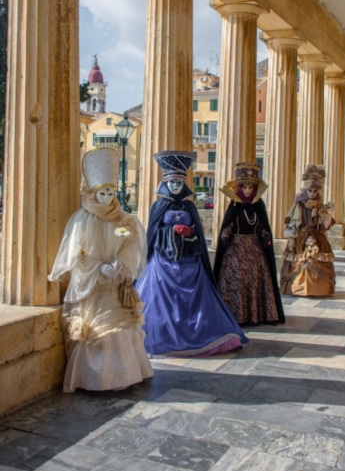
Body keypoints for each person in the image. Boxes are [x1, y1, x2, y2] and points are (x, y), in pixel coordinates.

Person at [48, 148, 153, 393]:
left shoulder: (124, 220)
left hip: (116, 283)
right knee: (99, 329)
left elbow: (131, 245)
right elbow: (77, 253)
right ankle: (99, 379)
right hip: (94, 286)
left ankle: (124, 375)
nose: (107, 197)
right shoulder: (82, 219)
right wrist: (99, 267)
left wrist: (121, 264)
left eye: (111, 192)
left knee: (120, 325)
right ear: (93, 193)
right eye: (103, 193)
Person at [135, 150, 248, 356]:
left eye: (179, 183)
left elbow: (197, 229)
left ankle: (201, 335)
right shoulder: (159, 205)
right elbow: (153, 232)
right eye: (172, 183)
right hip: (163, 262)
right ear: (165, 184)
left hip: (190, 260)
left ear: (184, 185)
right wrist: (173, 230)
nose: (176, 187)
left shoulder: (189, 206)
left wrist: (190, 232)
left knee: (197, 299)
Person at [214, 162, 285, 325]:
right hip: (236, 249)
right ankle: (236, 315)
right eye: (244, 187)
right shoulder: (233, 207)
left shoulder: (258, 206)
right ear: (239, 188)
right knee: (236, 279)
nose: (247, 191)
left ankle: (256, 315)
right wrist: (224, 236)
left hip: (255, 249)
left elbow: (261, 226)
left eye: (250, 188)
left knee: (255, 279)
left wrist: (266, 235)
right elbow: (228, 225)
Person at [280, 163, 335, 297]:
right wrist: (295, 236)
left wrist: (328, 214)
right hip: (300, 238)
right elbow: (293, 222)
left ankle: (316, 289)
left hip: (316, 238)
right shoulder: (298, 205)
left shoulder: (321, 206)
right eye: (309, 191)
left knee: (313, 261)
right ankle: (298, 287)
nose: (312, 193)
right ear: (306, 190)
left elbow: (324, 226)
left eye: (315, 191)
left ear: (318, 191)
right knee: (300, 262)